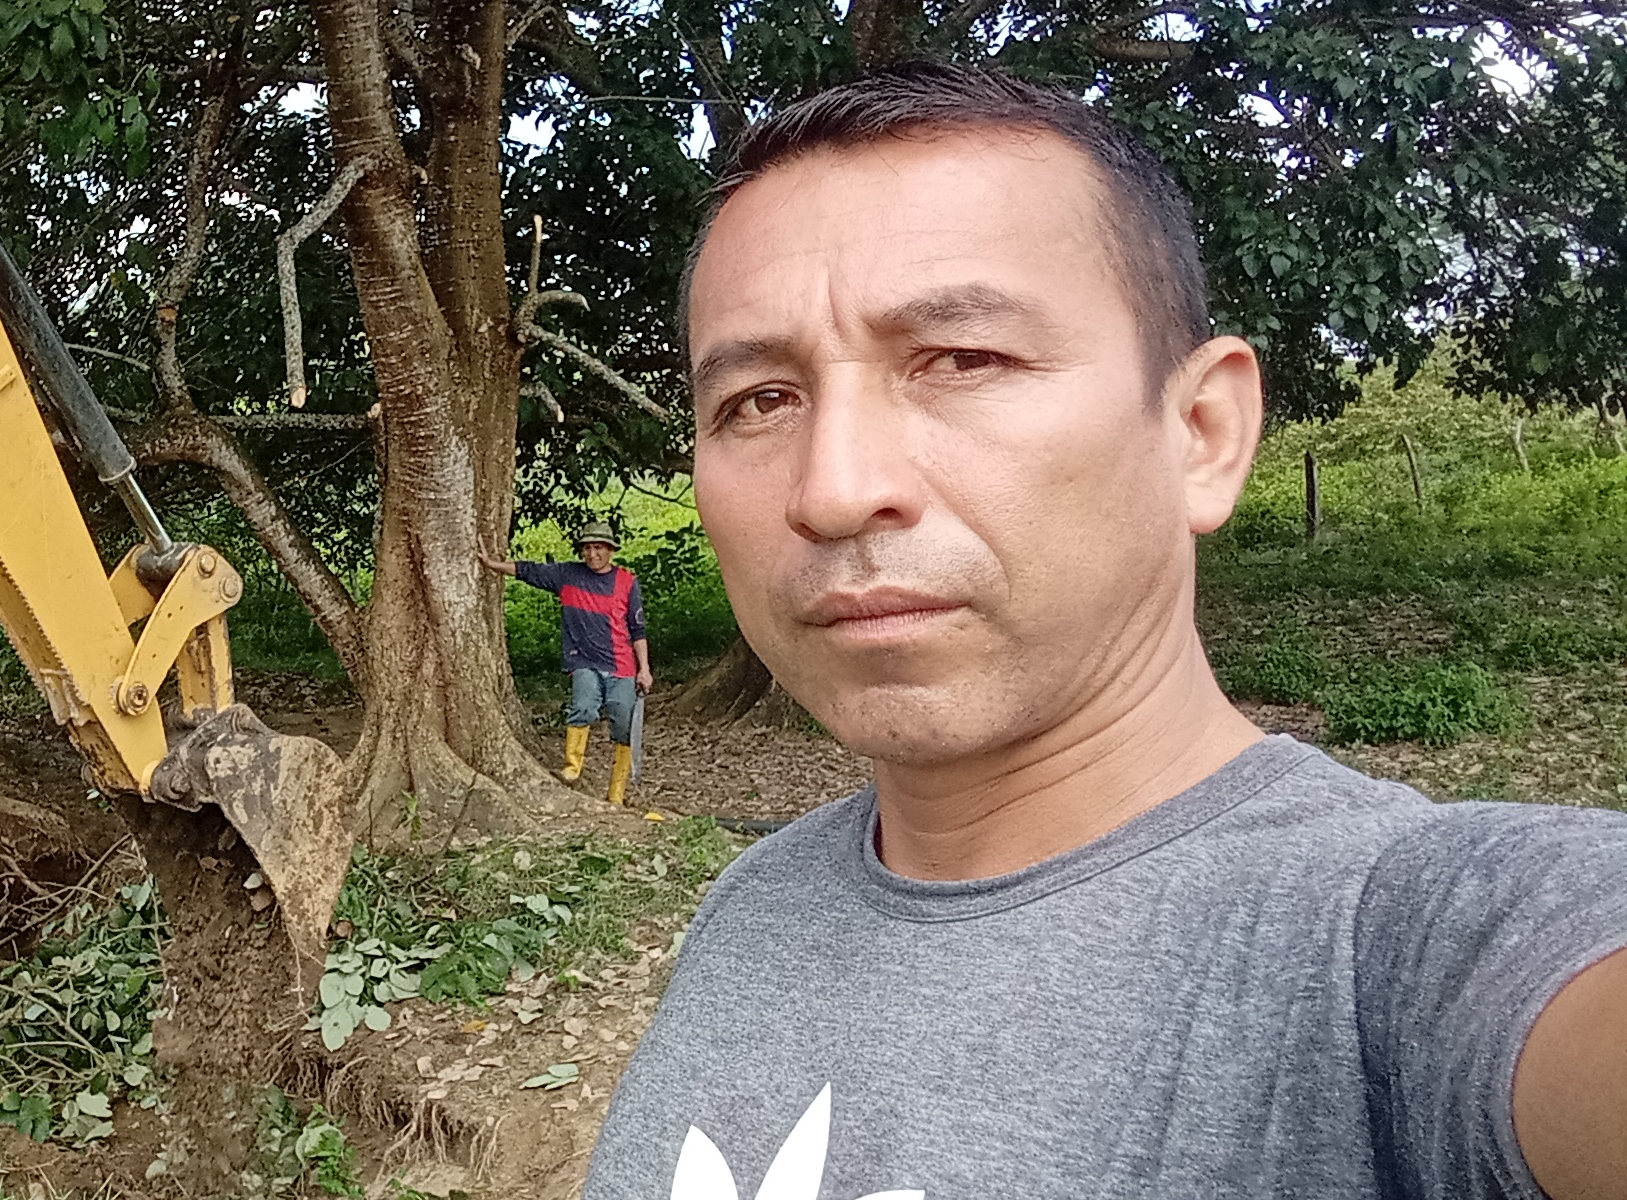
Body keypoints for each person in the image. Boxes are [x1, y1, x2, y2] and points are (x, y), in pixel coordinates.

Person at [585, 64, 1627, 1199]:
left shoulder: (1411, 946)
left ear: (1202, 433)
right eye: (759, 401)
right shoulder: (756, 904)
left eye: (963, 359)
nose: (833, 491)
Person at [479, 521, 651, 805]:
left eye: (598, 548)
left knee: (624, 725)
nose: (593, 554)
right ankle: (571, 770)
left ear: (610, 550)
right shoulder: (568, 575)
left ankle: (617, 794)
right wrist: (492, 565)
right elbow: (529, 571)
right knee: (583, 707)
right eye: (587, 548)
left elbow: (638, 630)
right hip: (583, 661)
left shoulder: (627, 582)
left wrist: (644, 669)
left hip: (622, 666)